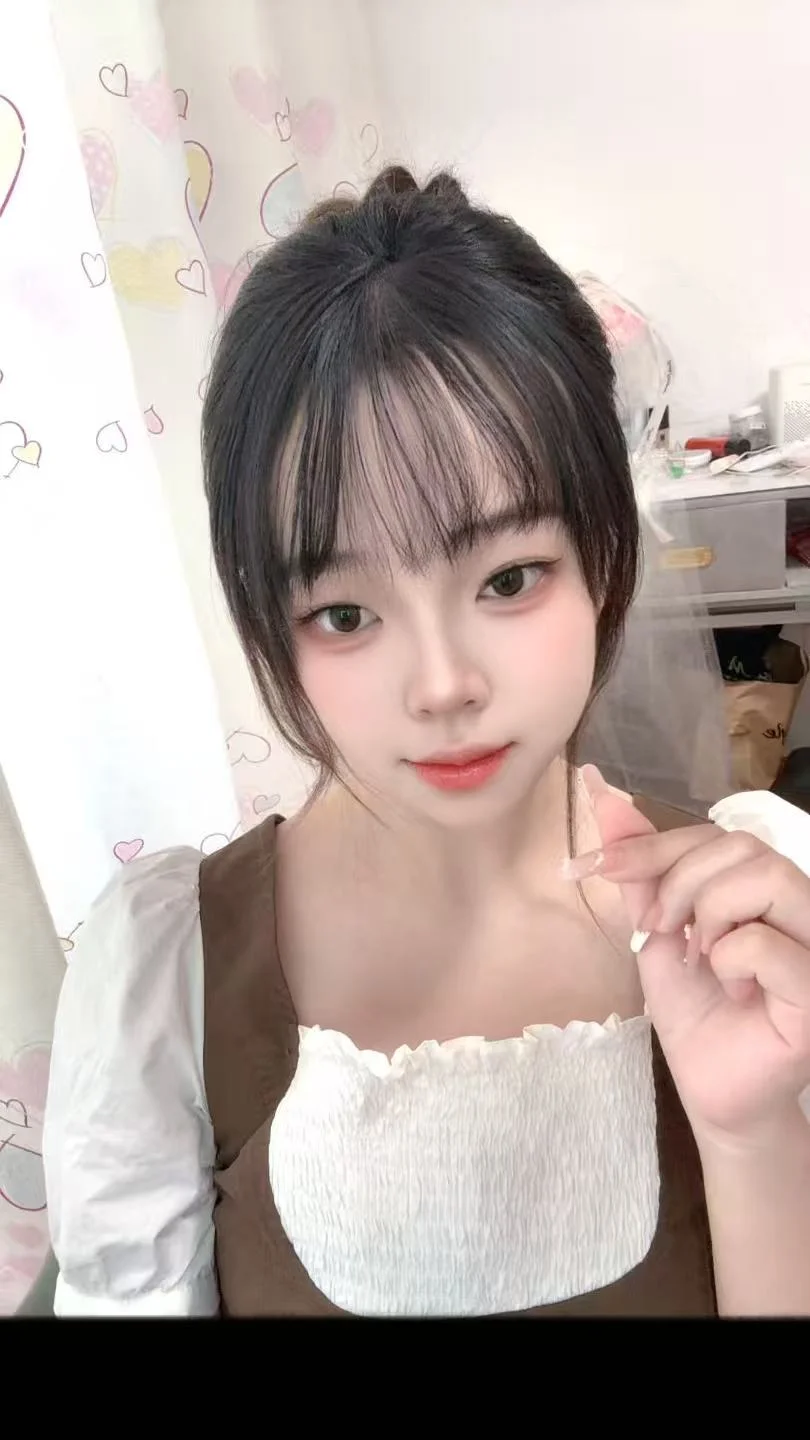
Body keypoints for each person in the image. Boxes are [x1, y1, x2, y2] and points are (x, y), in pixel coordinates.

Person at [42, 167, 810, 1317]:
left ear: (604, 556)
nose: (444, 685)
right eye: (346, 613)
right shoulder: (171, 981)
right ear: (267, 618)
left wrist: (752, 1134)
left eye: (509, 578)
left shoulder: (759, 922)